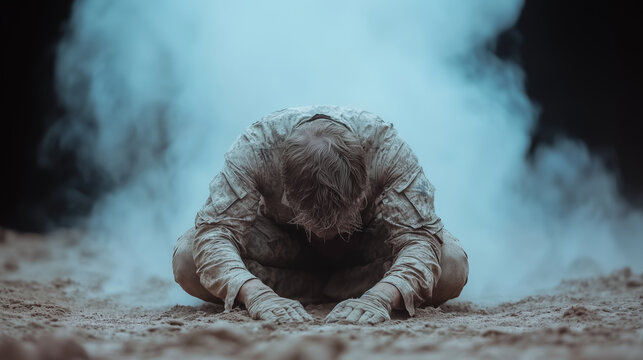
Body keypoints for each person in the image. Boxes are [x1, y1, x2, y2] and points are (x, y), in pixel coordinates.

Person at [172, 105, 468, 324]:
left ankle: (351, 289)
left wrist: (384, 295)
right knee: (188, 259)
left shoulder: (387, 149)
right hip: (281, 250)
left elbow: (419, 238)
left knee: (451, 264)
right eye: (316, 220)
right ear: (287, 196)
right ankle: (315, 290)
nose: (325, 235)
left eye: (339, 217)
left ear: (362, 192)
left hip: (362, 250)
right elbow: (216, 232)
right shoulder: (256, 148)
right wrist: (255, 294)